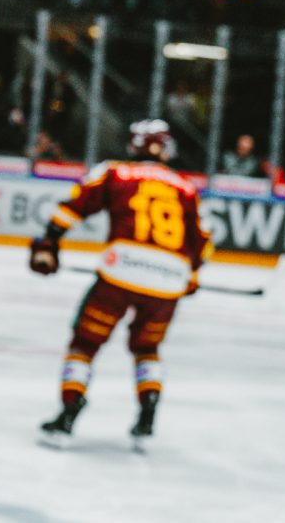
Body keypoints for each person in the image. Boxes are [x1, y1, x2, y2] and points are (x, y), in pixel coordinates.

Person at [29, 119, 213, 450]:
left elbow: (72, 208)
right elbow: (203, 241)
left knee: (84, 345)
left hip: (121, 272)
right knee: (147, 348)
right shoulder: (185, 187)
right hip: (169, 280)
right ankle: (147, 411)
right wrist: (192, 276)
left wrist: (50, 243)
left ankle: (69, 412)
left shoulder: (116, 172)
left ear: (134, 146)